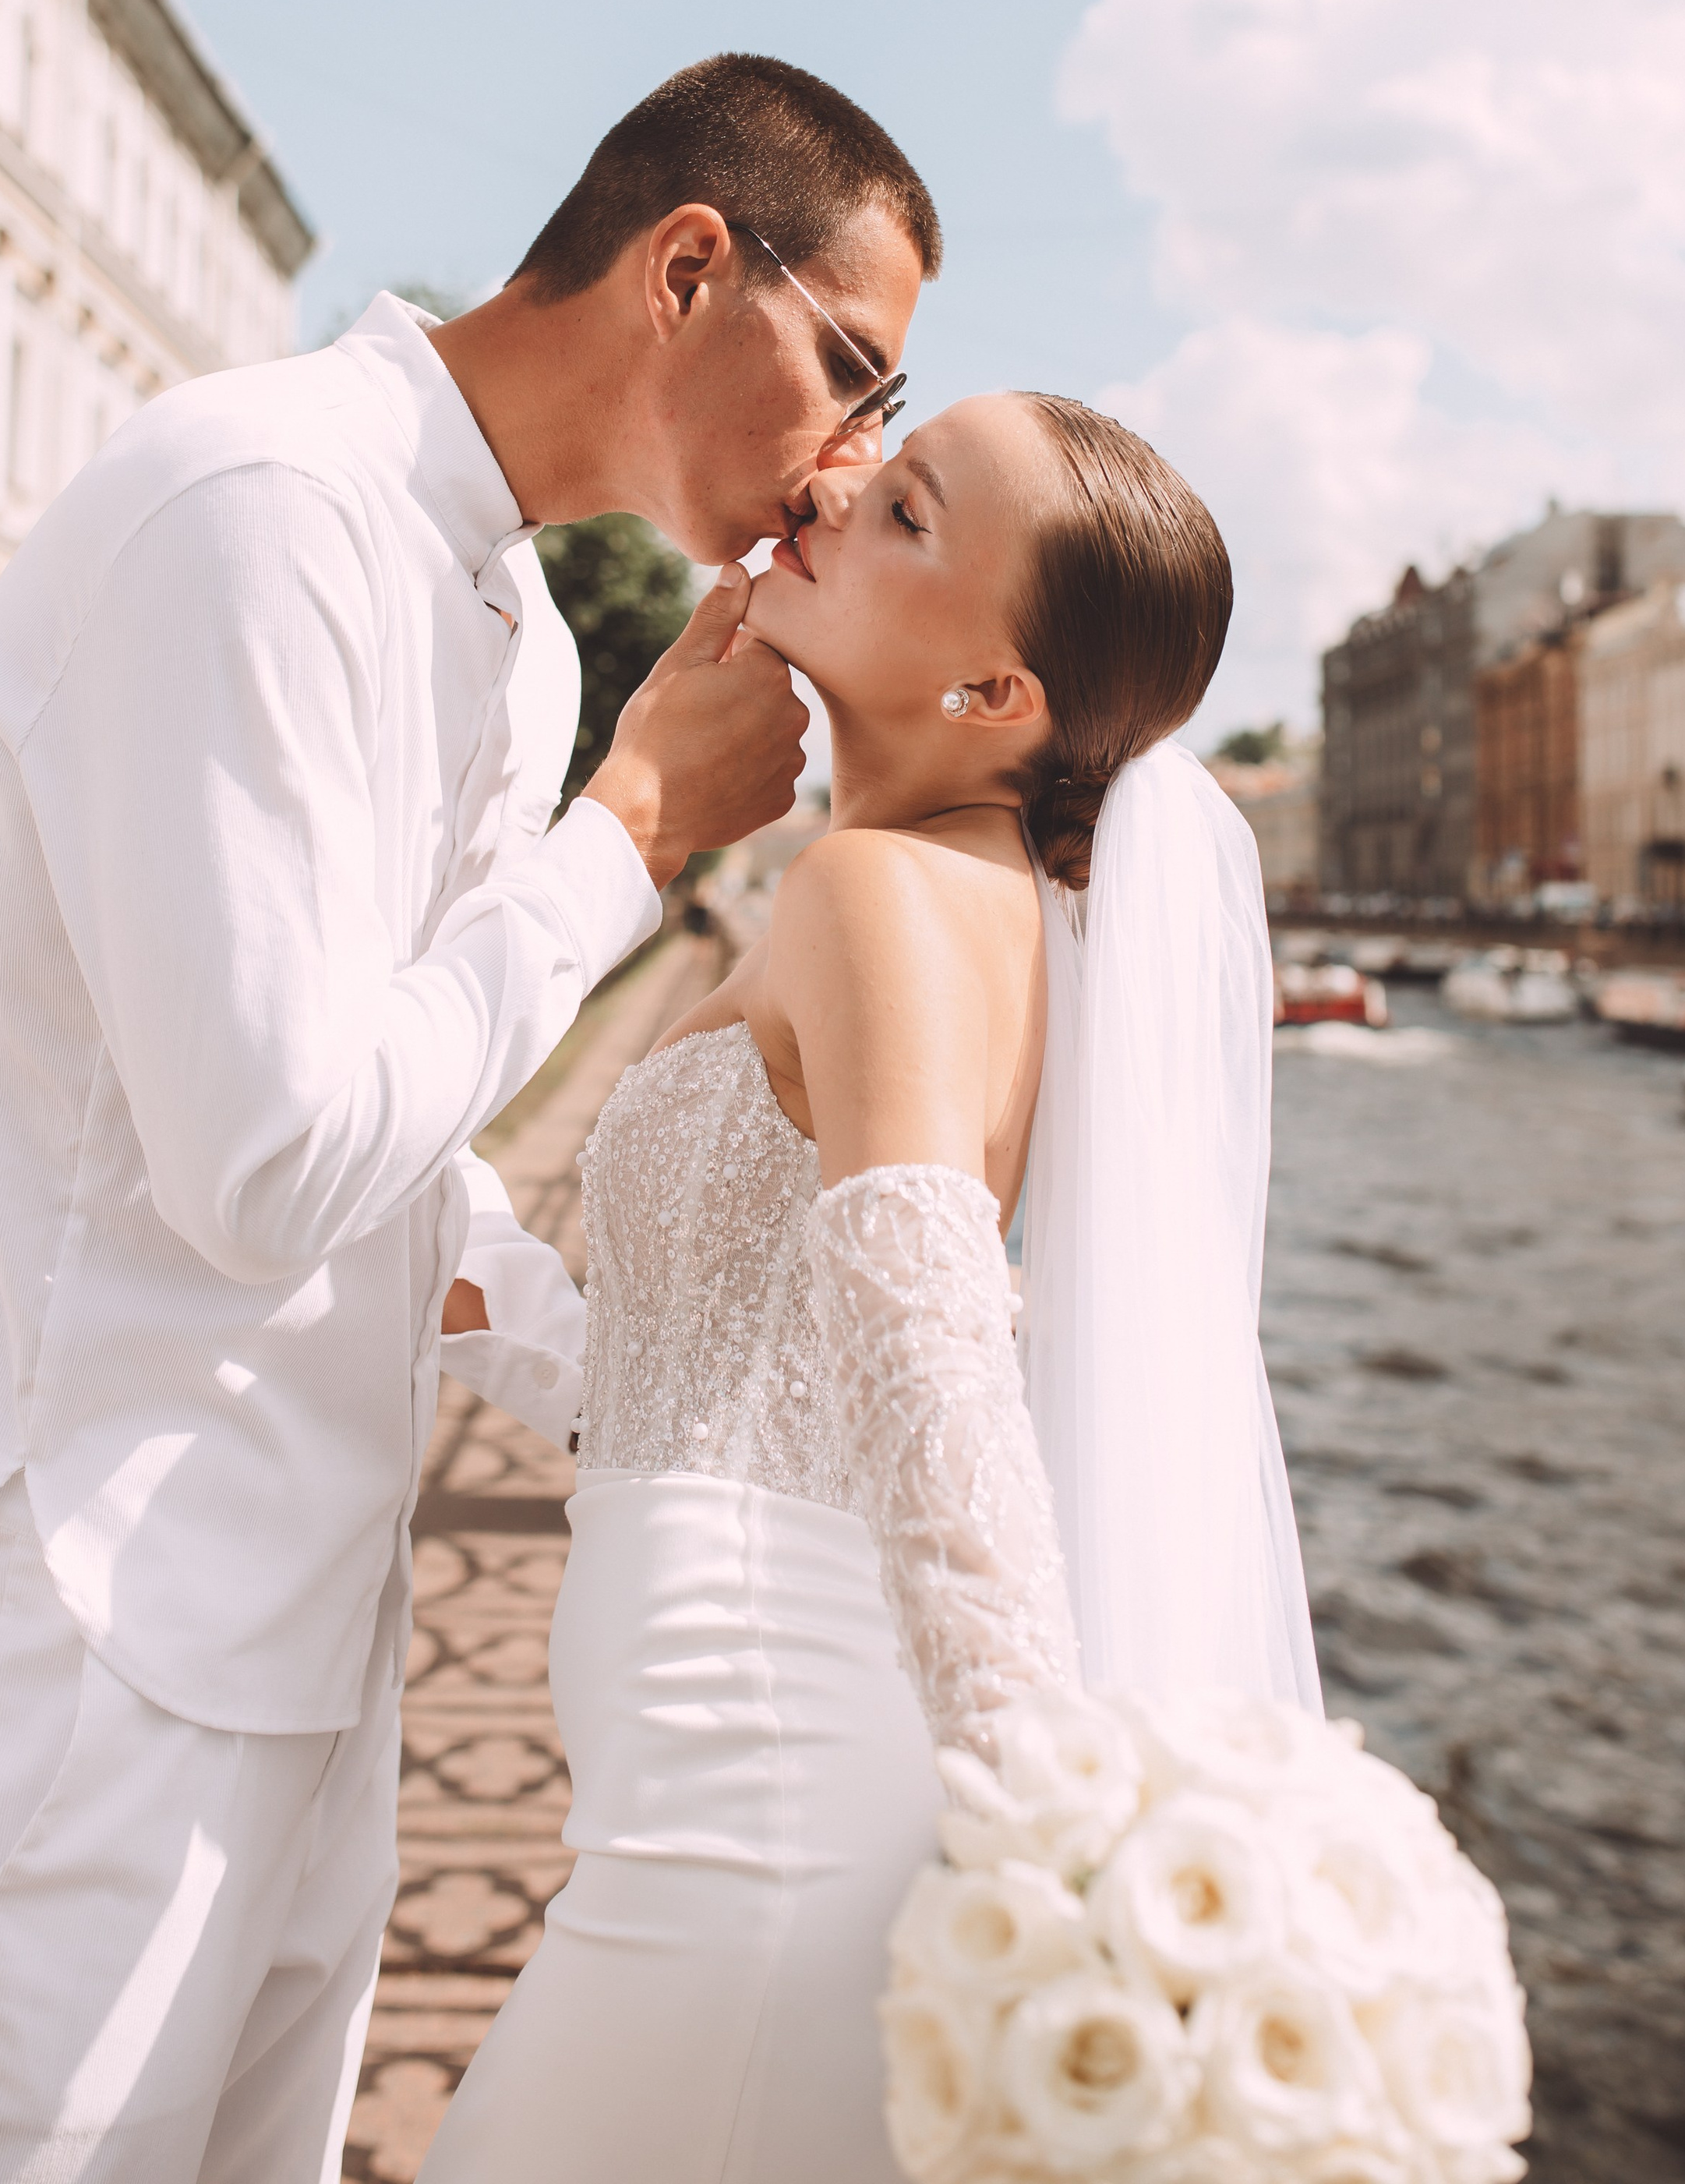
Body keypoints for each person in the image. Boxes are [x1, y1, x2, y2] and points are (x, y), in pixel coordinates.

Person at [0, 52, 940, 2184]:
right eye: (852, 366)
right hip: (89, 1582)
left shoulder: (496, 616)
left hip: (302, 1587)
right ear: (693, 264)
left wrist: (631, 1382)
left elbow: (391, 1132)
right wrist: (635, 835)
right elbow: (266, 1163)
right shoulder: (257, 508)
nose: (853, 454)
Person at [422, 391, 1319, 2183]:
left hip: (746, 1780)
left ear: (994, 696)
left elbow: (935, 1374)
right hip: (728, 1743)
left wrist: (1052, 1862)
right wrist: (473, 1275)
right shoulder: (982, 909)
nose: (829, 485)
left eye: (903, 510)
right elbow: (753, 1362)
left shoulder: (874, 895)